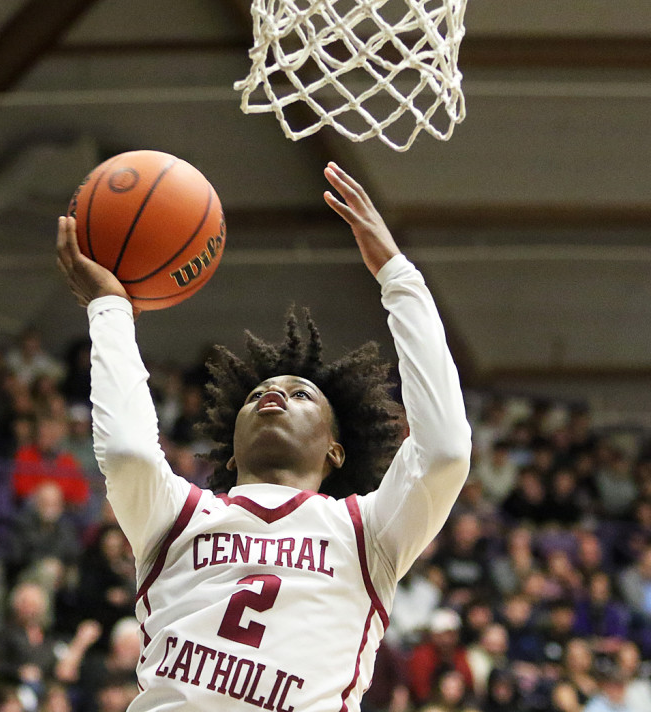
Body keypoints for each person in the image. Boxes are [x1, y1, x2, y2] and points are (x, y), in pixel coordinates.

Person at [55, 161, 472, 710]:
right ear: (232, 441)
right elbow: (129, 451)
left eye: (301, 395)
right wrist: (109, 309)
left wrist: (399, 278)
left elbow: (443, 452)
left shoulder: (367, 532)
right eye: (256, 396)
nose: (272, 395)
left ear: (334, 450)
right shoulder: (178, 514)